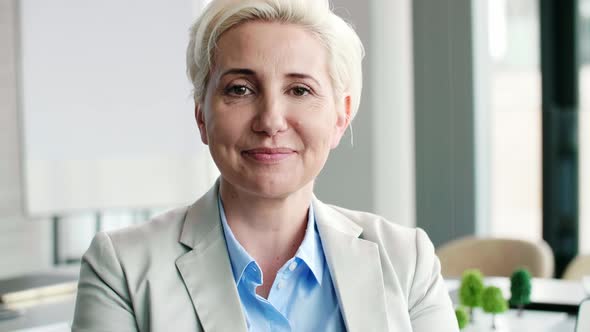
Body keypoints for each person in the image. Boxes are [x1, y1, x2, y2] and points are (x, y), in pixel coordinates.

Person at [72, 0, 458, 331]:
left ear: (340, 118)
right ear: (202, 116)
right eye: (240, 89)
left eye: (300, 90)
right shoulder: (121, 269)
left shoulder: (407, 262)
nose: (271, 120)